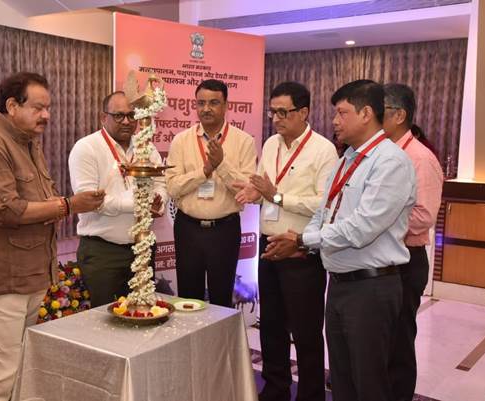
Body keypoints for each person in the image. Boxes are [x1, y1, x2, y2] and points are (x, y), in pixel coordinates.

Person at [264, 80, 416, 401]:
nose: (334, 121)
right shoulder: (347, 159)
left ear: (366, 114)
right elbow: (324, 212)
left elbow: (361, 227)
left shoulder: (389, 162)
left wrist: (304, 240)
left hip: (372, 288)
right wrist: (304, 237)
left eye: (341, 113)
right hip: (341, 284)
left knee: (369, 382)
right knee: (343, 380)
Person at [0, 72, 104, 401]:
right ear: (12, 105)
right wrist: (69, 205)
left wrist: (65, 204)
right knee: (0, 378)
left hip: (31, 275)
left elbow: (41, 197)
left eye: (48, 107)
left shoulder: (27, 143)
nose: (47, 115)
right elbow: (6, 211)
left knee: (23, 370)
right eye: (39, 107)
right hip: (4, 277)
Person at [235, 82, 338, 401]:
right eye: (273, 111)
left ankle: (310, 394)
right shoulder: (270, 145)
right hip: (269, 244)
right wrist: (254, 192)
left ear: (304, 112)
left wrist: (276, 195)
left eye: (284, 111)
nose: (276, 118)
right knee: (272, 326)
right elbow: (263, 185)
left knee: (305, 331)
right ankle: (276, 388)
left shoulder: (323, 150)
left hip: (301, 248)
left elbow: (324, 203)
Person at [68, 91, 167, 308]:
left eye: (132, 116)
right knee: (106, 321)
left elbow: (160, 182)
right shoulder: (86, 148)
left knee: (143, 311)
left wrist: (158, 201)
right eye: (119, 116)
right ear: (104, 118)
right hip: (103, 253)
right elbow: (90, 200)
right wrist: (138, 204)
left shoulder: (146, 148)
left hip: (141, 248)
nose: (126, 122)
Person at [165, 79, 257, 307]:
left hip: (225, 229)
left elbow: (247, 188)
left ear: (227, 105)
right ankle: (190, 343)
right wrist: (205, 170)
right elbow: (173, 187)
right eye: (201, 103)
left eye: (214, 103)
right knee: (188, 297)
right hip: (188, 228)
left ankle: (219, 343)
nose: (206, 109)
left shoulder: (243, 141)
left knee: (221, 297)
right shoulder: (181, 140)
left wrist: (221, 165)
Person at [383, 83, 444, 401]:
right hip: (381, 258)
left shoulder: (420, 158)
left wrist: (374, 223)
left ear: (399, 115)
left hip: (406, 260)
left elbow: (423, 216)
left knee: (399, 341)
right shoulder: (381, 154)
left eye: (380, 111)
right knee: (380, 341)